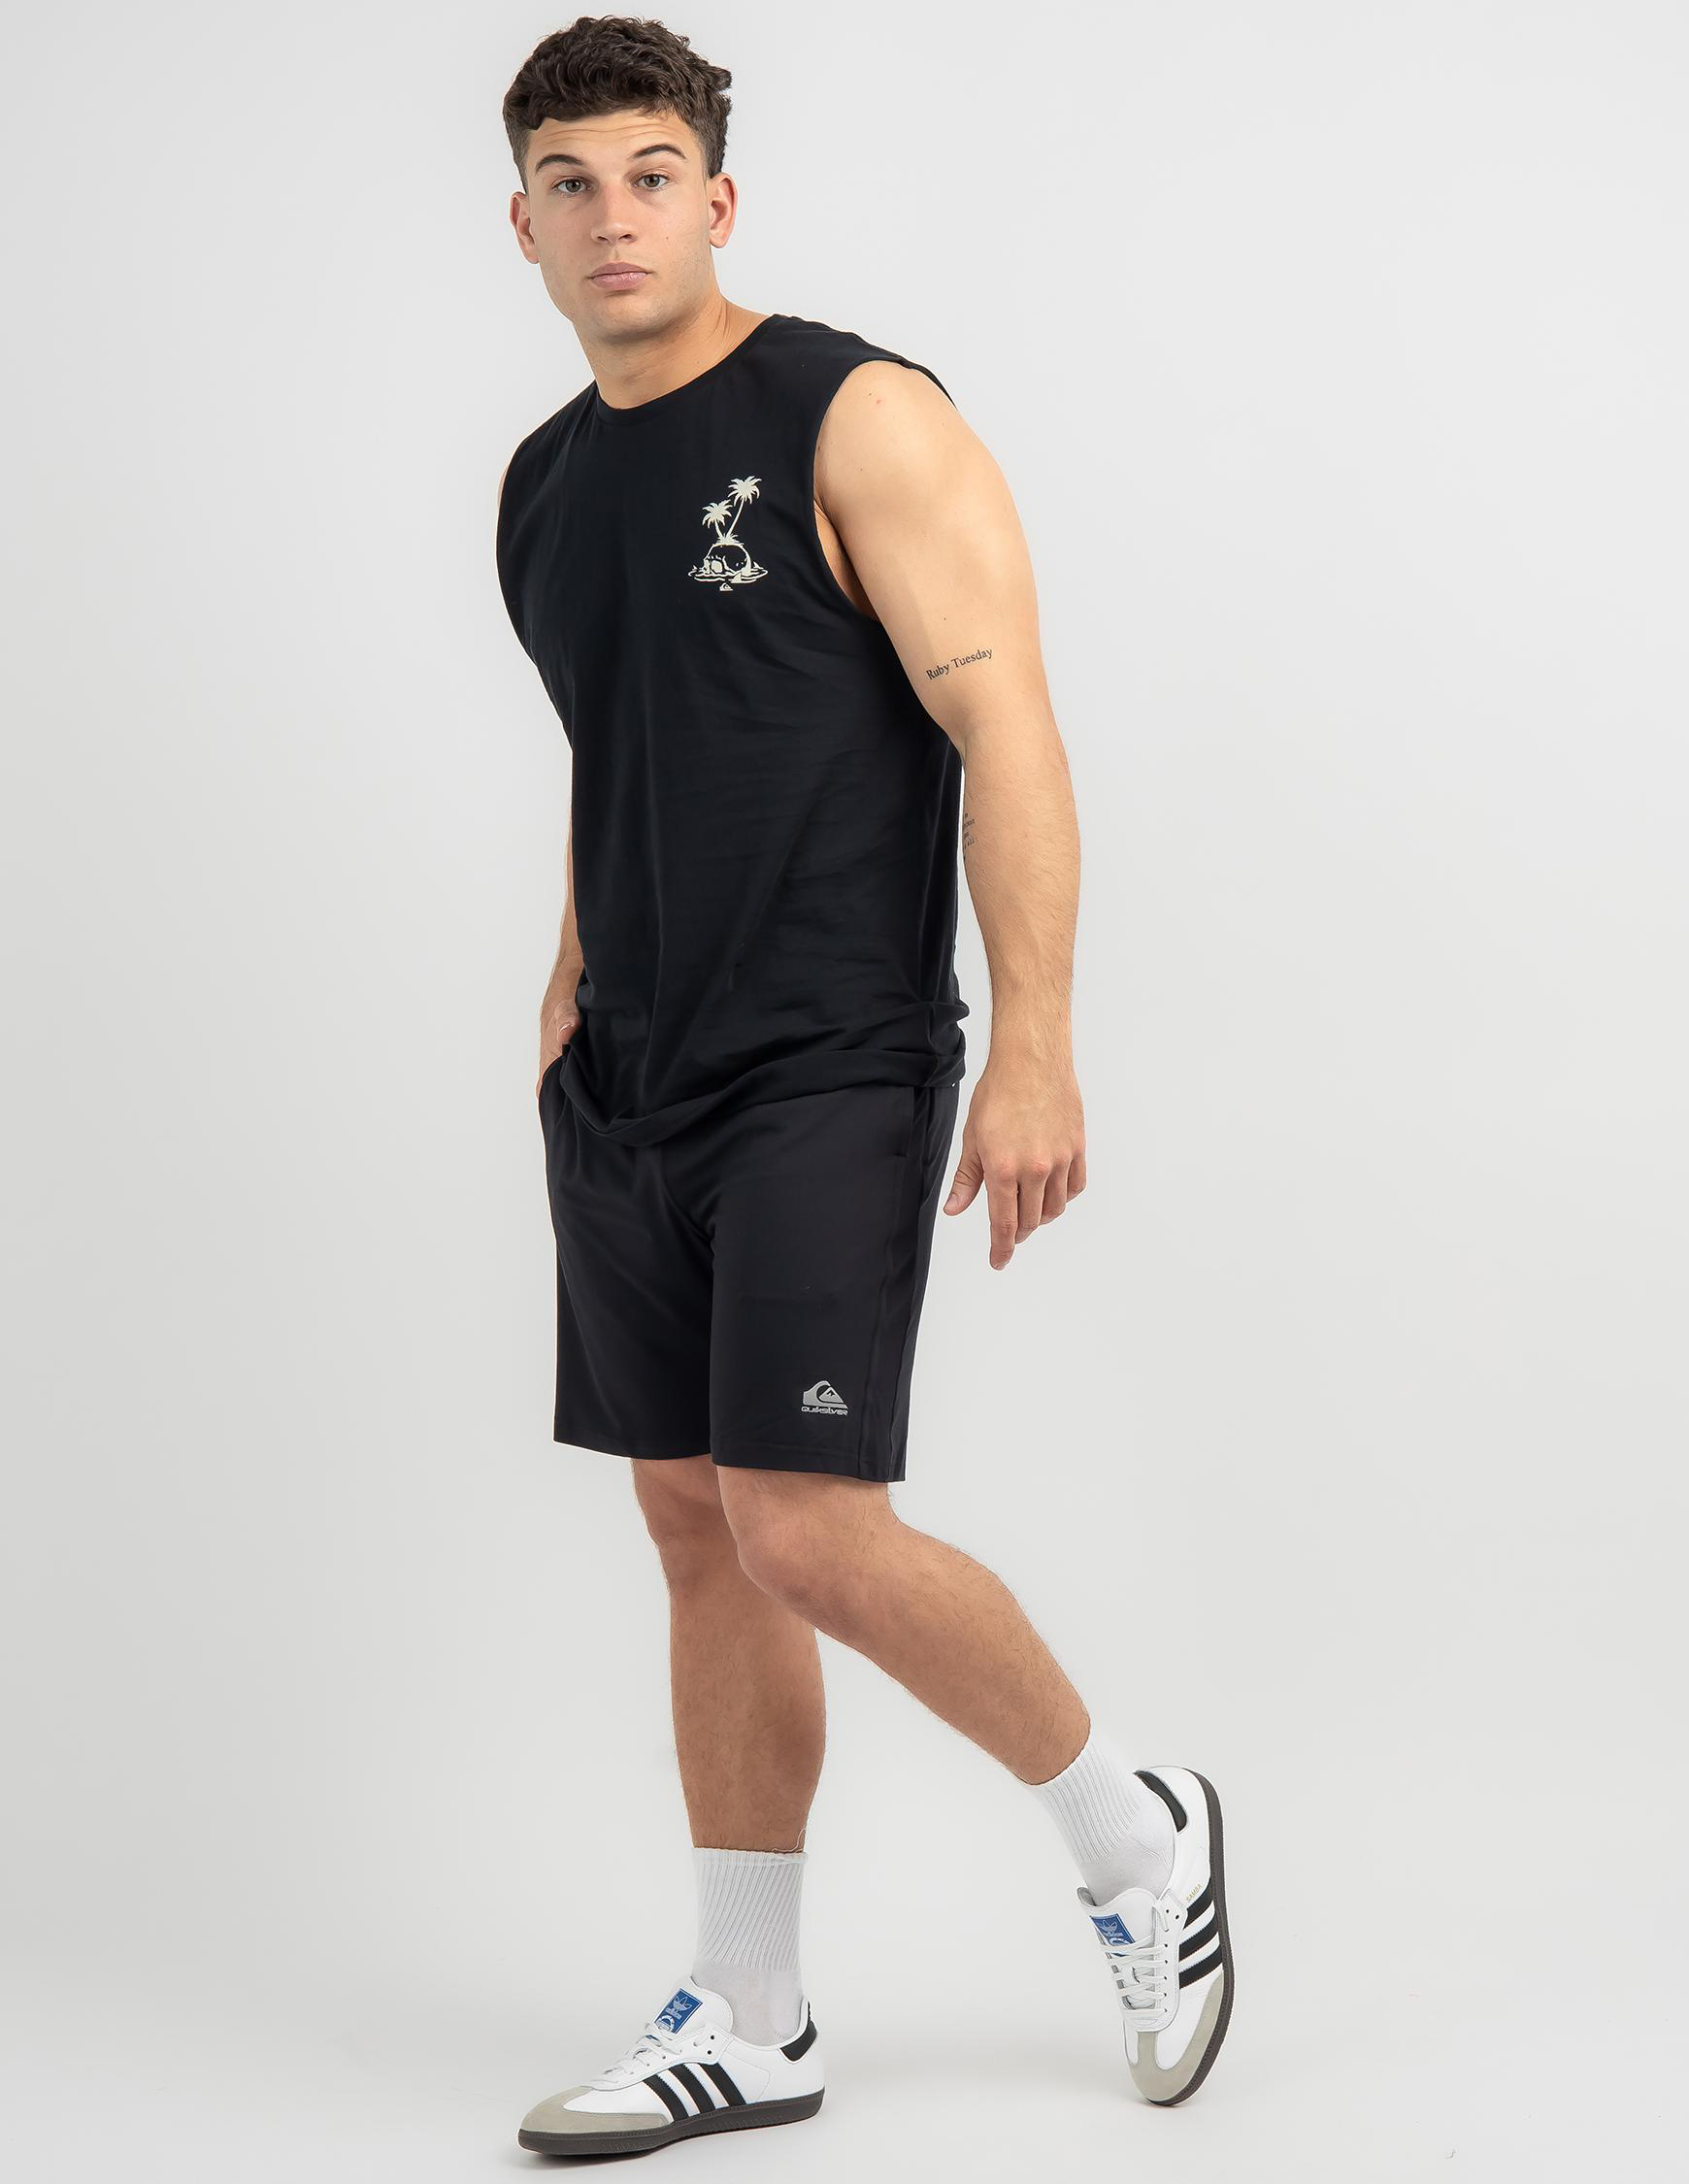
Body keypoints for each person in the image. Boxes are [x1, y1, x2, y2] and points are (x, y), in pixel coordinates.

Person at [493, 17, 1232, 2159]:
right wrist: (568, 978)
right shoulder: (543, 483)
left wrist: (1039, 1040)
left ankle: (1136, 1834)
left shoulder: (853, 414)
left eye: (651, 174)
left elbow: (1009, 729)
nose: (615, 217)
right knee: (693, 1526)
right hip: (629, 1077)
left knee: (806, 1523)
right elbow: (623, 745)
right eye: (571, 183)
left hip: (829, 1057)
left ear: (718, 199)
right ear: (520, 224)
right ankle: (753, 2011)